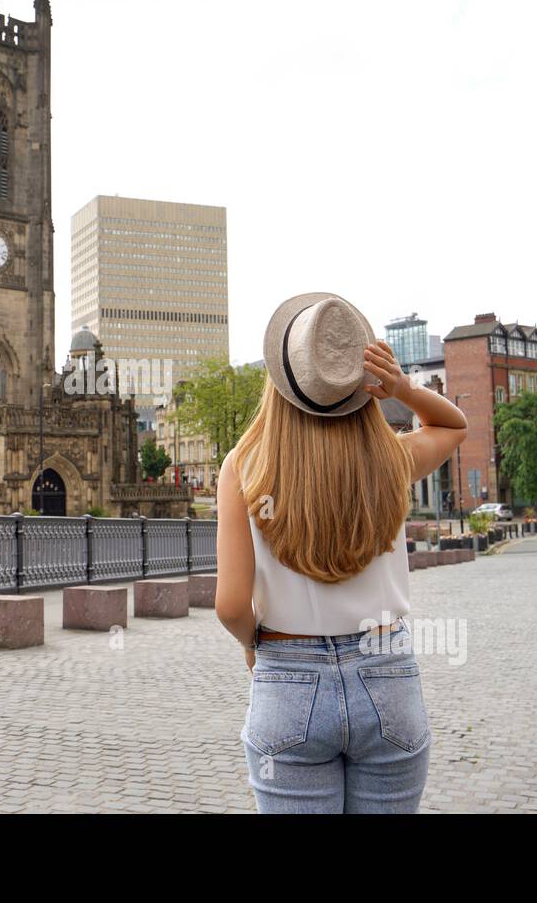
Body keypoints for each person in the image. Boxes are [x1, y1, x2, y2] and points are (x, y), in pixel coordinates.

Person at [215, 292, 467, 813]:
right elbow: (452, 426)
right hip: (385, 671)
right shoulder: (391, 459)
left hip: (288, 677)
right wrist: (402, 388)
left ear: (281, 379)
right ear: (358, 383)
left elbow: (231, 607)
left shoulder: (244, 468)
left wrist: (254, 646)